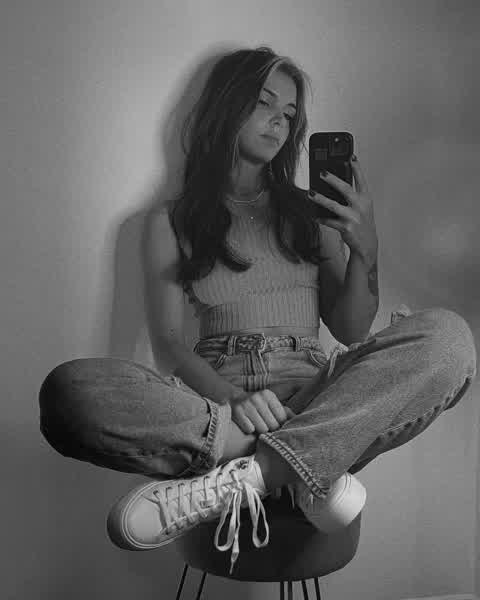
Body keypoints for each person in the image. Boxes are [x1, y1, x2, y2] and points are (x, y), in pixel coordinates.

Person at [38, 46, 477, 575]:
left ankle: (249, 476)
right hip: (218, 408)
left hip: (315, 395)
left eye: (289, 114)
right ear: (227, 104)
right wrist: (234, 400)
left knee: (450, 339)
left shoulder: (310, 213)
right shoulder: (169, 221)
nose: (279, 121)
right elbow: (169, 344)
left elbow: (352, 328)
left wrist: (367, 248)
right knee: (69, 392)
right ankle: (306, 465)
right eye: (264, 103)